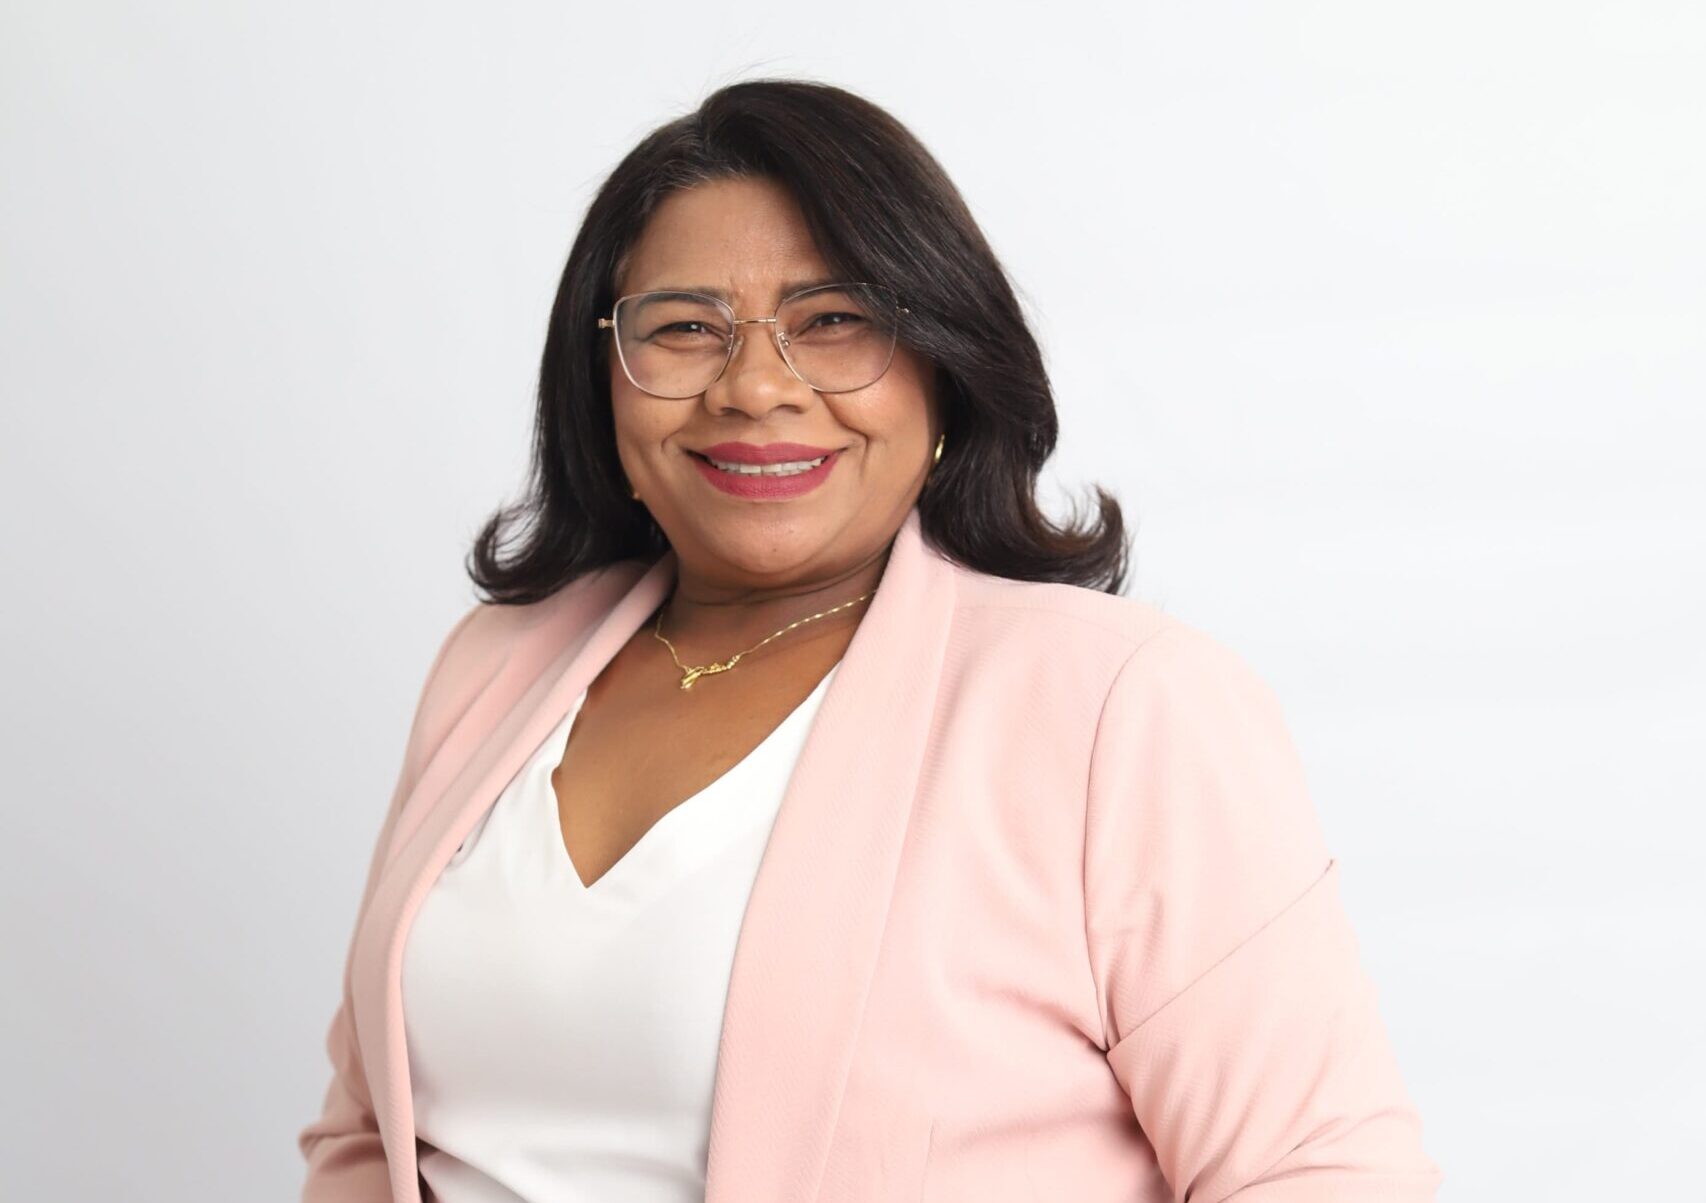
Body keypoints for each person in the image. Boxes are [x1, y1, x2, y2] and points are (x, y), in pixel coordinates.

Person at [298, 78, 1442, 1203]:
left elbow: (1321, 1174)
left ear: (943, 363)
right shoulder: (493, 668)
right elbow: (363, 1137)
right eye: (686, 328)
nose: (754, 387)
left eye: (833, 323)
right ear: (601, 377)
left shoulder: (1123, 707)